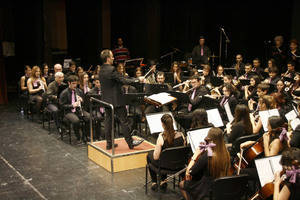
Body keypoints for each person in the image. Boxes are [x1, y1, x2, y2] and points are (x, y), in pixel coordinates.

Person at [99, 49, 144, 150]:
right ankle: (130, 143)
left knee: (108, 122)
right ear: (107, 58)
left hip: (106, 100)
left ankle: (109, 144)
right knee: (124, 121)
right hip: (116, 100)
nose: (113, 58)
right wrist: (137, 79)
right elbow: (123, 80)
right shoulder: (111, 69)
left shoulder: (101, 69)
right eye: (112, 57)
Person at [180, 127, 231, 200]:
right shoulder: (226, 153)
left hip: (206, 189)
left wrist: (195, 155)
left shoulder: (206, 157)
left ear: (211, 140)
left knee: (182, 184)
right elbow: (213, 153)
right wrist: (208, 148)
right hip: (220, 186)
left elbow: (190, 172)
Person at [147, 114, 186, 191]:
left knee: (149, 155)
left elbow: (156, 157)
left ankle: (155, 182)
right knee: (167, 156)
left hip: (165, 166)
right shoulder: (181, 135)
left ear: (163, 124)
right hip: (179, 165)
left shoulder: (161, 137)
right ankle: (162, 181)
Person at [59, 75, 91, 144]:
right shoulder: (64, 93)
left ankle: (86, 136)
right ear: (69, 83)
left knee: (88, 117)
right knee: (76, 121)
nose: (75, 85)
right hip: (68, 112)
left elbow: (84, 104)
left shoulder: (79, 91)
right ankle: (78, 137)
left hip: (78, 110)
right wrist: (72, 105)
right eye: (73, 83)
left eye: (76, 83)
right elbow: (61, 106)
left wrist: (82, 101)